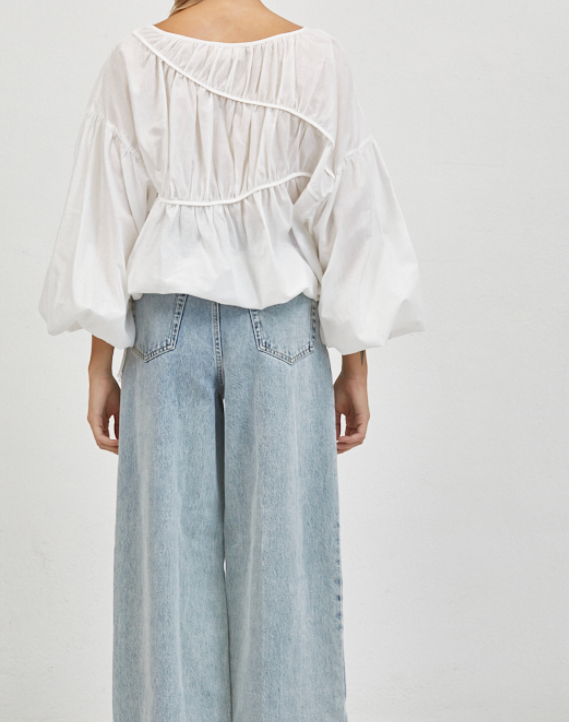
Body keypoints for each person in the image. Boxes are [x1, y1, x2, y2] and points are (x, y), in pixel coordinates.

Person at [38, 0, 426, 719]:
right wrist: (355, 364)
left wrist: (100, 363)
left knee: (166, 580)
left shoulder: (136, 58)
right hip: (282, 334)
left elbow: (107, 218)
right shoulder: (316, 57)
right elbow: (350, 214)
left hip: (163, 334)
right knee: (287, 577)